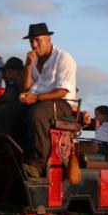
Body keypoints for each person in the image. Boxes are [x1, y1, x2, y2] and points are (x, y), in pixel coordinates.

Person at [18, 23, 77, 178]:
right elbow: (25, 87)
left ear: (49, 39)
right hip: (37, 99)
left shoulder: (64, 58)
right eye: (31, 41)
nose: (34, 44)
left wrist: (36, 97)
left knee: (37, 114)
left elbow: (62, 91)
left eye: (38, 40)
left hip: (61, 102)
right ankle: (12, 157)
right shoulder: (34, 59)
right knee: (3, 113)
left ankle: (36, 165)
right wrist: (28, 66)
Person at [0, 57, 27, 143]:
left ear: (19, 73)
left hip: (17, 110)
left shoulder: (16, 84)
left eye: (9, 72)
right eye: (6, 72)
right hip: (15, 109)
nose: (6, 75)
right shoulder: (11, 82)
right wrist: (0, 59)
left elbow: (8, 97)